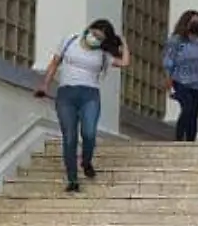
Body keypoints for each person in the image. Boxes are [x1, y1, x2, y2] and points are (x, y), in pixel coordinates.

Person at [35, 19, 129, 193]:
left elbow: (124, 62)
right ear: (88, 30)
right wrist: (45, 85)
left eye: (100, 38)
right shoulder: (70, 40)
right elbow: (54, 63)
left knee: (89, 132)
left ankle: (86, 161)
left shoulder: (102, 54)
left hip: (90, 95)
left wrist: (123, 42)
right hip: (66, 94)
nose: (95, 39)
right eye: (94, 34)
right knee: (69, 137)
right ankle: (72, 179)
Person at [162, 10, 198, 143]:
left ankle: (191, 141)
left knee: (194, 113)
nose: (195, 25)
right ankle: (179, 138)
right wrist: (168, 77)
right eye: (192, 22)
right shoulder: (177, 40)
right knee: (187, 108)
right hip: (181, 80)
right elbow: (169, 59)